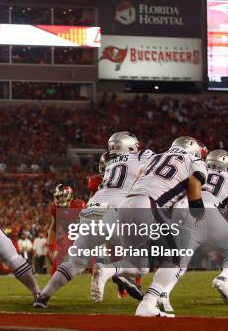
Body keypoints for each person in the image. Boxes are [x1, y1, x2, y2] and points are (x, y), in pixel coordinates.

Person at [90, 136, 208, 317]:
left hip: (126, 204)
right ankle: (148, 303)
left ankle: (108, 270)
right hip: (149, 205)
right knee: (175, 258)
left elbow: (139, 176)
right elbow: (194, 185)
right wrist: (199, 212)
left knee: (139, 265)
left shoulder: (156, 156)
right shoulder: (194, 160)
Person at [35, 132, 152, 308]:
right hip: (114, 212)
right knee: (142, 265)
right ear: (130, 146)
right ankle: (111, 271)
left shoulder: (111, 162)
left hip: (91, 210)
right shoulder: (142, 156)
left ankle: (43, 296)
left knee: (74, 262)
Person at [158, 149, 228, 313]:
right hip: (206, 210)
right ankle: (224, 278)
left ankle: (163, 293)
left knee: (180, 260)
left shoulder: (197, 172)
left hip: (181, 209)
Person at [46, 184, 87, 275]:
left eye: (63, 196)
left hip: (82, 233)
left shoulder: (79, 205)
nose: (60, 199)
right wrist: (49, 240)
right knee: (58, 256)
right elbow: (53, 225)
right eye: (59, 196)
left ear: (69, 196)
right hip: (68, 235)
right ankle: (52, 280)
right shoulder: (54, 208)